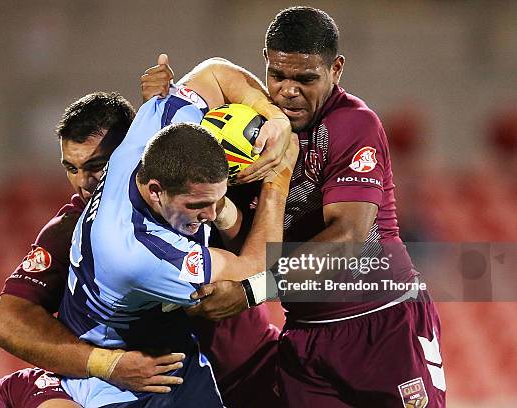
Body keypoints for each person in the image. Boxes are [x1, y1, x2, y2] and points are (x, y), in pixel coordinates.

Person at [142, 6, 446, 408]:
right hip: (305, 334)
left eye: (305, 78)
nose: (288, 90)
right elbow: (252, 233)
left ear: (335, 69)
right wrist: (157, 107)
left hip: (383, 323)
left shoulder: (353, 123)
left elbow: (349, 239)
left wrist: (252, 291)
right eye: (277, 75)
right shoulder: (242, 129)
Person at [57, 59, 297, 407]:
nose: (210, 215)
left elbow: (214, 72)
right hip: (127, 385)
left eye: (216, 200)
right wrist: (280, 175)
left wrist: (275, 120)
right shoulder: (140, 252)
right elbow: (264, 271)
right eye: (198, 205)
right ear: (156, 191)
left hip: (185, 360)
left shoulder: (155, 128)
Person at [0, 92, 186, 407]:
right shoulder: (72, 228)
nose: (83, 182)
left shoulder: (194, 207)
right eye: (71, 168)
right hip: (92, 391)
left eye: (97, 165)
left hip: (256, 365)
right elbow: (4, 322)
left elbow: (266, 281)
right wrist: (105, 364)